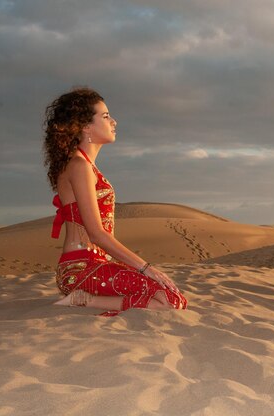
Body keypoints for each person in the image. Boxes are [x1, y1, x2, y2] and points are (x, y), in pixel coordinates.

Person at [43, 87, 187, 316]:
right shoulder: (79, 166)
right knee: (169, 299)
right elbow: (96, 234)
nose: (114, 122)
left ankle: (87, 299)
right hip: (81, 269)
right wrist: (146, 268)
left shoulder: (85, 166)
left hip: (96, 266)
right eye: (106, 116)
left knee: (171, 295)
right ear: (85, 126)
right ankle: (84, 300)